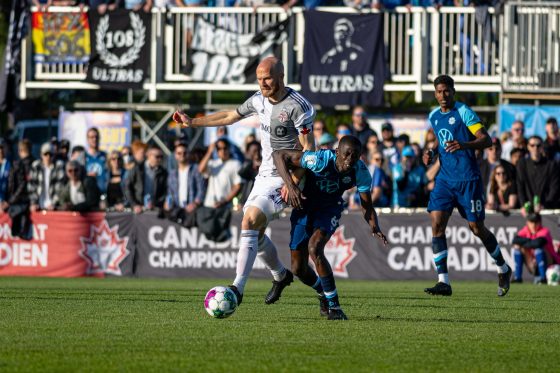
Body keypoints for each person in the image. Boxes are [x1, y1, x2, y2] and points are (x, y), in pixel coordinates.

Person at [173, 56, 316, 306]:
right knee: (255, 232)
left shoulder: (298, 106)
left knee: (249, 220)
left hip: (288, 178)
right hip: (264, 177)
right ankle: (280, 276)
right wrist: (192, 121)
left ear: (281, 76)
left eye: (268, 78)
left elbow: (309, 149)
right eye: (260, 79)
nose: (263, 83)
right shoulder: (258, 100)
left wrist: (292, 182)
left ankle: (237, 288)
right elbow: (230, 115)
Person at [272, 136, 388, 320]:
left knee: (315, 248)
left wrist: (375, 226)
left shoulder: (361, 171)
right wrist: (290, 185)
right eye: (346, 154)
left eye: (355, 155)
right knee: (297, 269)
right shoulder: (320, 159)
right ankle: (322, 292)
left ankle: (335, 307)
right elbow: (278, 155)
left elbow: (367, 205)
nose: (350, 159)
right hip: (304, 208)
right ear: (337, 152)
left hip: (329, 210)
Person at [423, 75, 512, 297]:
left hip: (468, 180)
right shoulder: (434, 116)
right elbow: (440, 139)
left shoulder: (464, 112)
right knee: (436, 224)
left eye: (446, 91)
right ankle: (443, 281)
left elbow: (487, 140)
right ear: (435, 94)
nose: (443, 96)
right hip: (445, 180)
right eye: (439, 92)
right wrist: (433, 152)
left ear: (453, 92)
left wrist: (463, 144)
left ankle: (503, 267)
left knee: (476, 228)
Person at [512, 213, 560, 284]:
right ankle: (517, 278)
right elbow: (515, 240)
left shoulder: (544, 231)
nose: (533, 225)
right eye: (531, 222)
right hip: (533, 264)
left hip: (550, 265)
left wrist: (525, 241)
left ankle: (543, 278)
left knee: (538, 249)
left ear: (540, 223)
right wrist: (530, 240)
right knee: (517, 248)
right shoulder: (526, 230)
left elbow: (538, 243)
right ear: (527, 222)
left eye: (536, 222)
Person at [516, 135, 560, 211]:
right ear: (528, 147)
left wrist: (544, 205)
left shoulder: (551, 165)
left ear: (542, 147)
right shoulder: (522, 164)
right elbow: (520, 186)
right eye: (532, 145)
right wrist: (523, 204)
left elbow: (554, 187)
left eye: (538, 145)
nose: (535, 148)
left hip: (546, 209)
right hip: (527, 208)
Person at [166, 142, 206, 224]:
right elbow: (170, 192)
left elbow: (201, 189)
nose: (182, 155)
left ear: (189, 154)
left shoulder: (195, 169)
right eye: (179, 153)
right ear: (175, 155)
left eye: (185, 153)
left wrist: (195, 203)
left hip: (193, 211)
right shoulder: (172, 174)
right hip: (177, 210)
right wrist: (167, 203)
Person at [124, 145, 168, 214]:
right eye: (157, 157)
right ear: (149, 156)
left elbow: (165, 192)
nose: (160, 159)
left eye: (161, 157)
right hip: (138, 209)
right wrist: (134, 205)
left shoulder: (163, 172)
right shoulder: (137, 169)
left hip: (155, 210)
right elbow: (127, 188)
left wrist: (156, 204)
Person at [28, 142, 67, 211]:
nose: (48, 157)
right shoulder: (35, 166)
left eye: (50, 154)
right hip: (38, 205)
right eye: (45, 154)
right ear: (41, 155)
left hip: (53, 206)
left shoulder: (59, 166)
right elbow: (31, 186)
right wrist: (33, 203)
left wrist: (54, 203)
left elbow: (61, 187)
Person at [85, 128, 108, 194]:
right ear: (87, 139)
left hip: (103, 194)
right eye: (92, 137)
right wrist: (87, 175)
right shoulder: (82, 157)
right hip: (88, 195)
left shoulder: (105, 156)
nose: (94, 139)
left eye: (96, 137)